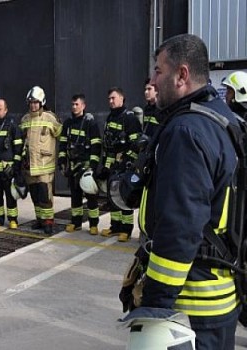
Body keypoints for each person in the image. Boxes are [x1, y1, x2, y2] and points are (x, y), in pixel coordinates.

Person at [132, 33, 239, 349]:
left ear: (182, 75)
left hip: (190, 307)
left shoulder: (186, 131)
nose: (153, 79)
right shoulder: (223, 118)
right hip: (220, 296)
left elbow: (179, 229)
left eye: (158, 71)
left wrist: (154, 304)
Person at [99, 87, 142, 242]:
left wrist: (126, 162)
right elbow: (108, 146)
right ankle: (115, 226)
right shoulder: (111, 118)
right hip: (113, 166)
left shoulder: (129, 119)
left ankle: (127, 230)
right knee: (113, 197)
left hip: (126, 165)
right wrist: (106, 167)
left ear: (122, 99)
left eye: (113, 98)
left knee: (124, 196)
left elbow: (136, 145)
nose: (111, 101)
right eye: (109, 99)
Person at [57, 94, 101, 235]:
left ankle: (93, 224)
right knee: (75, 197)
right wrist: (62, 161)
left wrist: (93, 166)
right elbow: (63, 144)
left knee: (91, 197)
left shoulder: (90, 123)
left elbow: (96, 145)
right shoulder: (68, 123)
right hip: (73, 166)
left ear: (83, 106)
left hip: (86, 165)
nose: (74, 107)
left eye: (77, 104)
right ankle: (76, 223)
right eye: (73, 104)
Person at [20, 86, 62, 234]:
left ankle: (49, 222)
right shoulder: (25, 119)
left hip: (44, 165)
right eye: (31, 102)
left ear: (42, 102)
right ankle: (39, 219)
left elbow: (61, 135)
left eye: (36, 102)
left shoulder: (50, 118)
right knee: (35, 196)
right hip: (30, 166)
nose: (33, 105)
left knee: (45, 196)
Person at [0, 99, 23, 229]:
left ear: (6, 110)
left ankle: (13, 220)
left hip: (8, 169)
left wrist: (15, 166)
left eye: (0, 109)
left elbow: (18, 147)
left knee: (10, 195)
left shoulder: (12, 125)